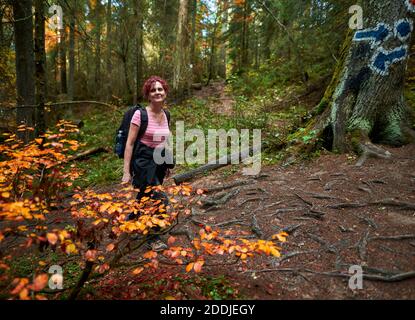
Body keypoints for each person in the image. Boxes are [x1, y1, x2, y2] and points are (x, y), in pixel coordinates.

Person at [121, 76, 173, 251]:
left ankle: (132, 219)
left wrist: (167, 164)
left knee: (145, 193)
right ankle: (153, 237)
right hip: (142, 161)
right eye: (153, 90)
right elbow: (129, 143)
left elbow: (165, 140)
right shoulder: (140, 115)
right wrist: (126, 171)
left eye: (160, 89)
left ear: (165, 92)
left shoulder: (166, 114)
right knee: (159, 197)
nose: (157, 92)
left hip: (159, 160)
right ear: (148, 95)